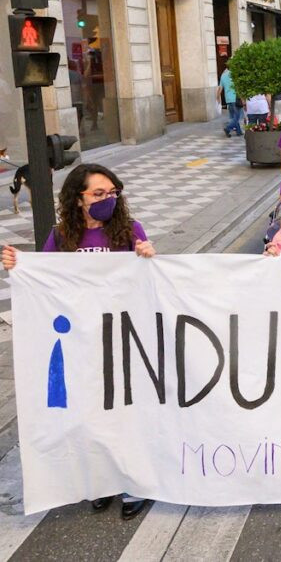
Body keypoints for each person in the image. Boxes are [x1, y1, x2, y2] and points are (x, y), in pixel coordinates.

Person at [2, 163, 155, 520]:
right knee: (89, 417)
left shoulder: (129, 231)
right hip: (80, 345)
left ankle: (134, 483)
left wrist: (148, 256)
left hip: (121, 338)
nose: (108, 200)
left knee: (126, 413)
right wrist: (19, 265)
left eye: (113, 193)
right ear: (78, 199)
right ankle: (101, 481)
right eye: (98, 194)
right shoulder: (62, 237)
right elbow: (44, 280)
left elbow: (149, 282)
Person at [218, 68, 242, 137]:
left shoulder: (223, 75)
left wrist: (218, 97)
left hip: (228, 99)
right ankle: (228, 128)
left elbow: (220, 88)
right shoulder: (236, 75)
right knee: (237, 117)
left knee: (233, 117)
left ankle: (239, 131)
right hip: (236, 99)